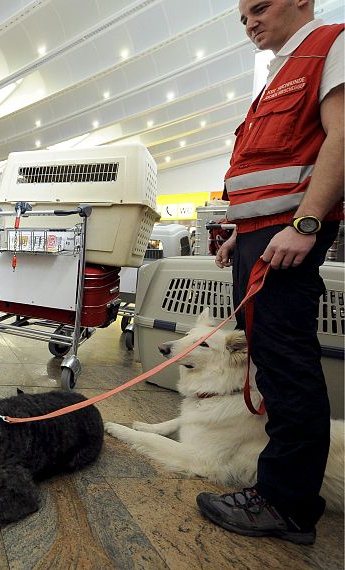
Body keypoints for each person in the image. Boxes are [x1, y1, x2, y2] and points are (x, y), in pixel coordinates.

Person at [197, 0, 343, 545]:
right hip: (263, 236)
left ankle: (284, 503)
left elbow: (341, 138)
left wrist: (304, 223)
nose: (250, 22)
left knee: (286, 365)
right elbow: (277, 168)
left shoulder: (329, 45)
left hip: (289, 236)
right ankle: (292, 489)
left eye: (260, 8)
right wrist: (244, 229)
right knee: (271, 361)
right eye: (242, 17)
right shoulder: (281, 70)